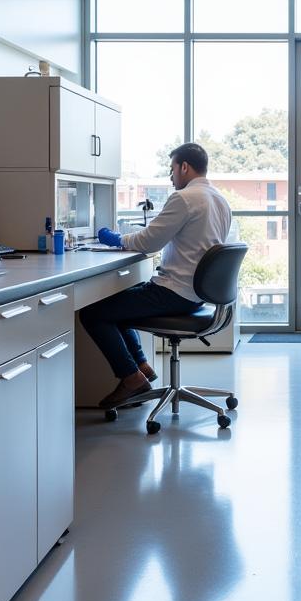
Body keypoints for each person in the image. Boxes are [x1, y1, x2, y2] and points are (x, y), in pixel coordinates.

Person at [81, 142, 232, 409]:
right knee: (119, 305)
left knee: (93, 313)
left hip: (175, 292)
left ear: (184, 167)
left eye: (172, 169)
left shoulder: (184, 198)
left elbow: (149, 242)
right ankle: (141, 366)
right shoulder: (220, 200)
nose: (171, 176)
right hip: (198, 294)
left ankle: (131, 379)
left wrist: (115, 239)